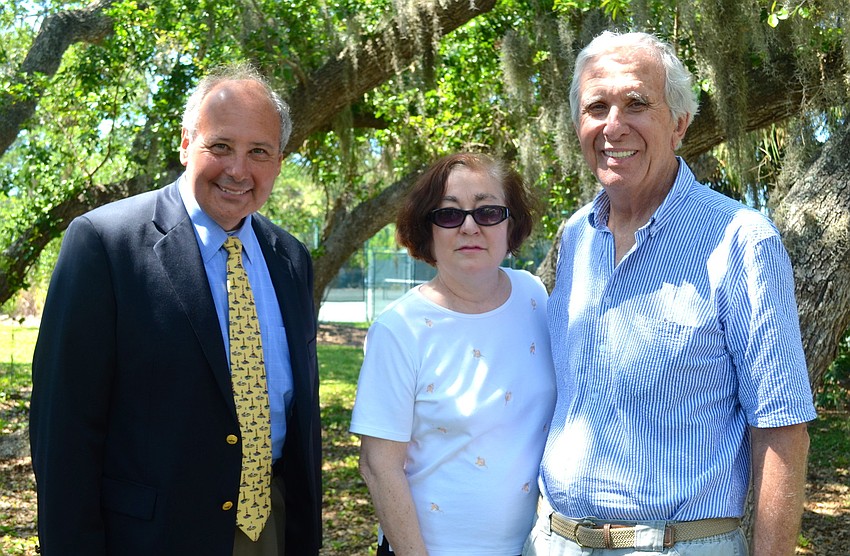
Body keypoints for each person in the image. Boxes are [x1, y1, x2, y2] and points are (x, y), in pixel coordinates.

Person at [524, 31, 817, 556]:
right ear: (578, 126)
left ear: (679, 123)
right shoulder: (575, 237)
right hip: (555, 541)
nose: (614, 126)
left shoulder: (740, 240)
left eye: (636, 103)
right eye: (597, 106)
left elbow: (782, 429)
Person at [29, 64, 322, 556]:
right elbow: (65, 431)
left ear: (279, 161)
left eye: (259, 152)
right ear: (187, 143)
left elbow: (298, 417)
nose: (238, 170)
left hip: (270, 526)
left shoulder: (290, 258)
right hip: (150, 537)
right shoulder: (105, 244)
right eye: (221, 146)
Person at [350, 152, 556, 556]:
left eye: (488, 211)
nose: (469, 227)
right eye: (448, 214)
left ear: (510, 224)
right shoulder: (400, 328)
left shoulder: (535, 296)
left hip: (534, 547)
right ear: (426, 231)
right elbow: (379, 466)